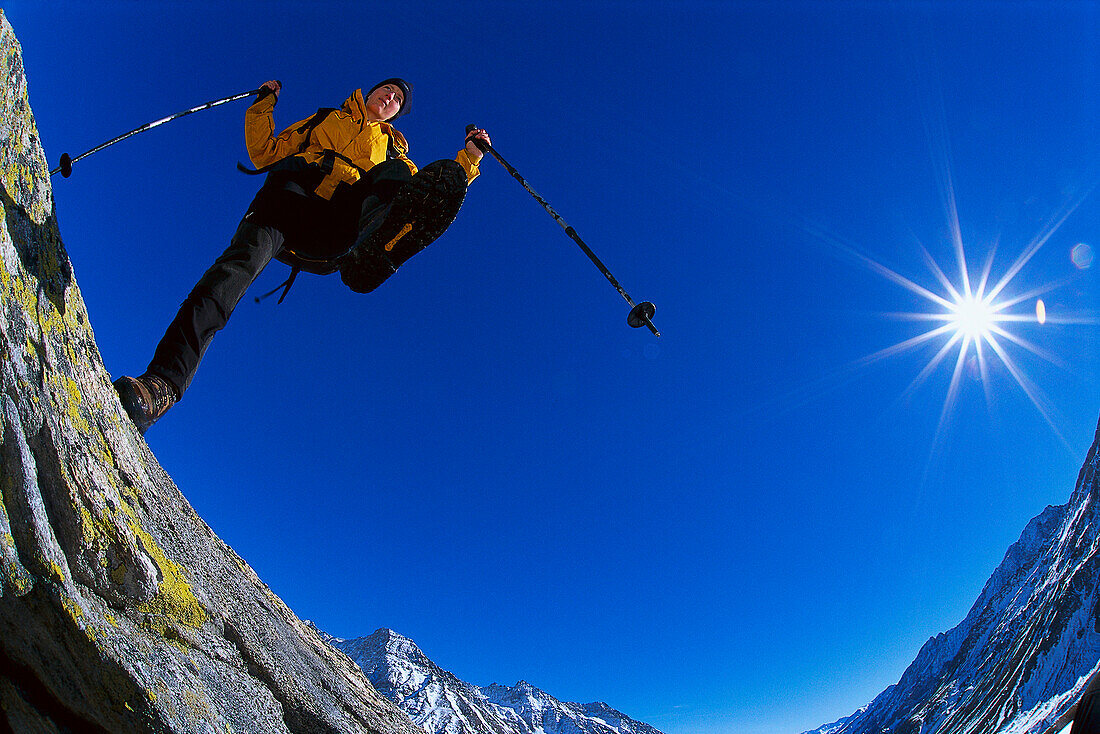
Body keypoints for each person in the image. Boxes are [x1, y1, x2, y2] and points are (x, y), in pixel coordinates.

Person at [113, 78, 491, 433]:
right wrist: (263, 106)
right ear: (371, 92)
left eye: (397, 101)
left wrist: (468, 160)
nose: (390, 98)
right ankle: (161, 384)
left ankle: (373, 250)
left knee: (399, 178)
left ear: (395, 114)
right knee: (231, 273)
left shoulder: (393, 150)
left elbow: (424, 195)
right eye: (387, 90)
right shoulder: (328, 118)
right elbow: (265, 152)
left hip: (335, 225)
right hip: (288, 202)